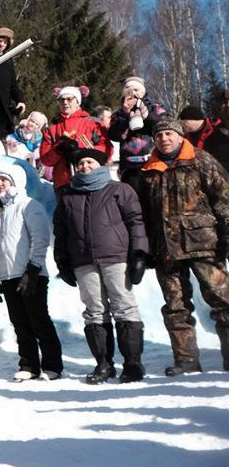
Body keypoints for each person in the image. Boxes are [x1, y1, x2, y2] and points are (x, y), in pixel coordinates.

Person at [138, 118, 229, 375]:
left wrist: (227, 234)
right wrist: (145, 248)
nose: (164, 139)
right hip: (165, 249)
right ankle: (186, 361)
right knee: (175, 307)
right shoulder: (149, 170)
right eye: (159, 135)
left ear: (179, 136)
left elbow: (223, 198)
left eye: (168, 134)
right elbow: (145, 213)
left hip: (204, 245)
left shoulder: (201, 160)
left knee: (223, 299)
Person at [53, 149, 148, 383]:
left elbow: (135, 221)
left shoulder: (119, 190)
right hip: (83, 261)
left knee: (124, 306)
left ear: (101, 165)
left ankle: (132, 364)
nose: (85, 166)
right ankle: (104, 364)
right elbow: (61, 232)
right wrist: (62, 260)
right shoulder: (68, 196)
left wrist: (138, 254)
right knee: (94, 311)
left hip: (116, 257)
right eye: (81, 163)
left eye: (90, 162)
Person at [0, 166, 62, 380]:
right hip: (8, 275)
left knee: (39, 319)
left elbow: (40, 238)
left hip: (31, 273)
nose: (0, 184)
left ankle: (52, 365)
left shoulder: (29, 205)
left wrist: (33, 269)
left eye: (4, 180)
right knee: (19, 322)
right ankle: (29, 365)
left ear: (15, 182)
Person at [40, 86, 112, 189]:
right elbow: (46, 160)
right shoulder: (52, 128)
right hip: (64, 182)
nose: (65, 102)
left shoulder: (93, 123)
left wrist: (84, 154)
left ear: (78, 102)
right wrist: (59, 149)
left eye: (69, 99)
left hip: (92, 180)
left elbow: (107, 149)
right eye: (61, 99)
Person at [109, 76, 166, 193]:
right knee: (132, 202)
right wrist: (125, 114)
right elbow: (114, 135)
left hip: (154, 162)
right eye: (128, 90)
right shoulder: (118, 114)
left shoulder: (155, 109)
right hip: (129, 167)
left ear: (143, 92)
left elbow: (162, 125)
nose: (133, 94)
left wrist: (145, 112)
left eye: (136, 90)